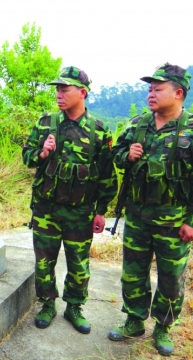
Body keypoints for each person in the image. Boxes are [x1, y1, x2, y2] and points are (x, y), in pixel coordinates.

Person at [22, 66, 117, 334]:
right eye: (57, 89)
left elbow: (107, 176)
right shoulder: (45, 123)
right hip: (46, 210)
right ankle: (47, 303)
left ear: (82, 92)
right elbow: (27, 157)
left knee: (78, 264)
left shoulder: (99, 131)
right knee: (44, 262)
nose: (59, 94)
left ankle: (74, 306)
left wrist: (101, 212)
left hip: (81, 211)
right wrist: (42, 153)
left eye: (65, 89)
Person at [108, 63, 193, 356]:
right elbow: (115, 156)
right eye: (149, 88)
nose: (151, 93)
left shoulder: (191, 129)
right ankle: (134, 320)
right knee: (133, 273)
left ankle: (163, 327)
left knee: (171, 277)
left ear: (178, 93)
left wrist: (191, 221)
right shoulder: (137, 124)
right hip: (138, 217)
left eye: (158, 88)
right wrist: (127, 156)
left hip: (174, 221)